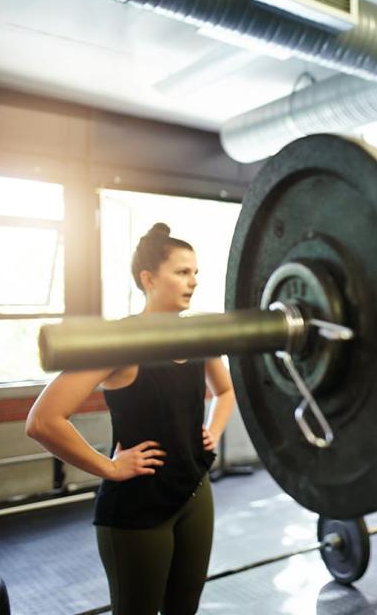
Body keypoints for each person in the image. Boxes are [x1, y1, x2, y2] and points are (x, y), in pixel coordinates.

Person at [26, 223, 236, 614]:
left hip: (194, 489)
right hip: (138, 504)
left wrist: (213, 429)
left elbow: (225, 391)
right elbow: (43, 420)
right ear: (149, 278)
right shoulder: (119, 343)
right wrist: (109, 467)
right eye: (182, 272)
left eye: (195, 273)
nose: (193, 282)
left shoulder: (199, 336)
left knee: (184, 608)